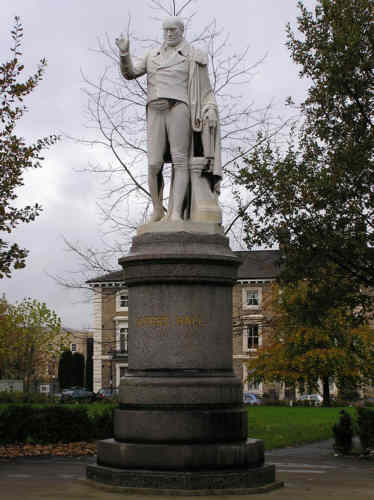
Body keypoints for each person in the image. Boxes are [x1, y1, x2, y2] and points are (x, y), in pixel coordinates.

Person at [115, 16, 222, 223]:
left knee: (179, 161)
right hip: (155, 110)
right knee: (154, 163)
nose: (169, 33)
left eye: (173, 30)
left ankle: (175, 214)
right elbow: (129, 73)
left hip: (179, 109)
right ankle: (157, 210)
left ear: (182, 31)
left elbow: (206, 90)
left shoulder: (193, 56)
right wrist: (124, 53)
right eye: (166, 30)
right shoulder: (151, 55)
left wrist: (209, 107)